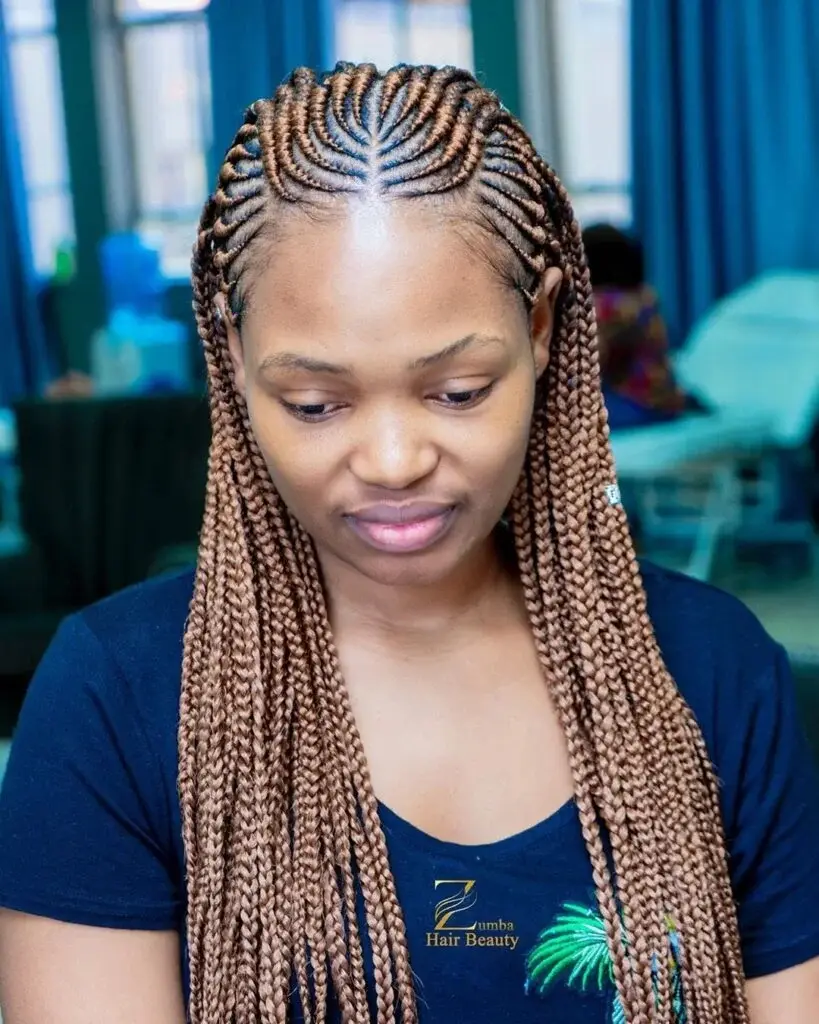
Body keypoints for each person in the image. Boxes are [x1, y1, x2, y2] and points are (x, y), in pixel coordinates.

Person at [0, 63, 818, 1024]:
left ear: (543, 325)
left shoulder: (717, 672)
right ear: (232, 358)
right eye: (314, 403)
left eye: (457, 391)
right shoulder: (114, 697)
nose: (393, 460)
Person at [581, 223, 704, 430]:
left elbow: (591, 362)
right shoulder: (645, 298)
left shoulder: (606, 306)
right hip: (665, 403)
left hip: (639, 406)